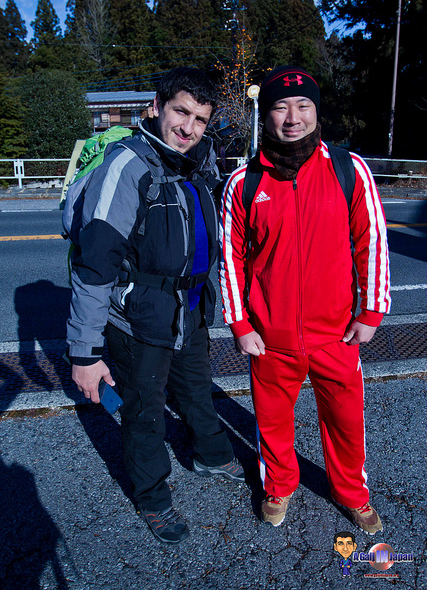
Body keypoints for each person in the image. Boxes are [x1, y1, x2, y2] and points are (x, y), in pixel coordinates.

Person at [66, 67, 244, 545]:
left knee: (196, 388)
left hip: (189, 309)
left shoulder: (198, 164)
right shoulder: (128, 166)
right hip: (138, 319)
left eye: (200, 119)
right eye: (180, 112)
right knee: (144, 410)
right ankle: (152, 496)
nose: (189, 128)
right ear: (156, 107)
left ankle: (210, 454)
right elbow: (94, 265)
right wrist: (84, 353)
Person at [219, 65, 390, 535]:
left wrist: (371, 311)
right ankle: (279, 485)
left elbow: (371, 242)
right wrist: (240, 324)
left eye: (303, 106)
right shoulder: (244, 182)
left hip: (337, 332)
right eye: (280, 107)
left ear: (317, 111)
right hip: (269, 337)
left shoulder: (347, 169)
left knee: (346, 421)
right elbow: (230, 258)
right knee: (272, 421)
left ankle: (352, 494)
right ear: (267, 115)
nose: (292, 118)